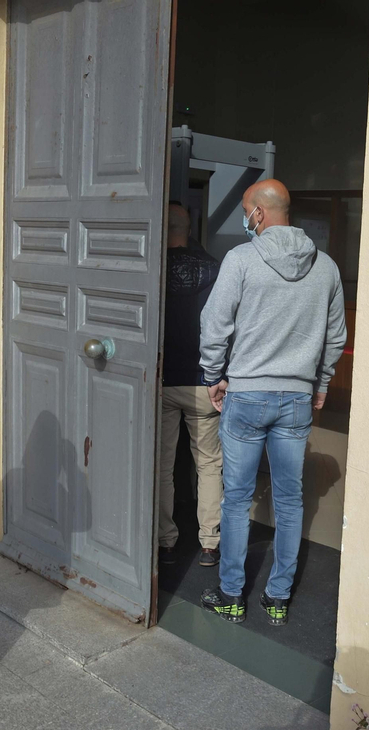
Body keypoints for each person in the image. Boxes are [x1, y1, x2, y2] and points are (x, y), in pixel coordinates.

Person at [198, 179, 346, 626]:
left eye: (246, 210)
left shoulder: (240, 259)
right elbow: (335, 337)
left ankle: (230, 596)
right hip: (297, 398)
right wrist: (320, 383)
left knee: (236, 499)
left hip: (245, 395)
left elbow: (215, 324)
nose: (245, 219)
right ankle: (278, 598)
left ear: (258, 214)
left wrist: (212, 375)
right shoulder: (327, 268)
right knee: (290, 500)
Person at [159, 201, 224, 569]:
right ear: (188, 227)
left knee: (163, 465)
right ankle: (209, 544)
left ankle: (164, 540)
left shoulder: (148, 266)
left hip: (163, 379)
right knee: (209, 465)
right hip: (204, 381)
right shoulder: (215, 269)